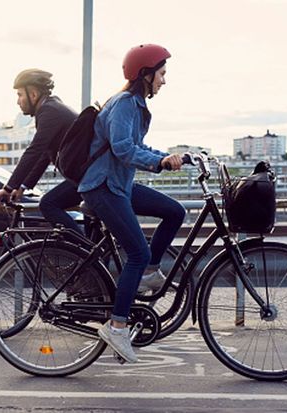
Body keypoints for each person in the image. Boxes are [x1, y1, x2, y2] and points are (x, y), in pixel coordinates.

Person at [78, 44, 186, 363]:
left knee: (174, 211)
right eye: (162, 74)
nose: (164, 81)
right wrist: (160, 163)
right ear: (145, 74)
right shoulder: (125, 103)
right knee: (137, 252)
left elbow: (137, 146)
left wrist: (168, 157)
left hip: (119, 184)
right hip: (103, 187)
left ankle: (151, 271)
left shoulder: (136, 106)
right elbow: (124, 149)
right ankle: (117, 327)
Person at [0, 69, 83, 234]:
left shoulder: (49, 111)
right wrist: (23, 186)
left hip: (89, 178)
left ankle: (83, 248)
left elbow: (34, 151)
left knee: (48, 204)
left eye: (20, 95)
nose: (18, 101)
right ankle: (85, 249)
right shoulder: (52, 107)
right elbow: (44, 155)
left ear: (33, 94)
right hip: (85, 176)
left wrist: (8, 188)